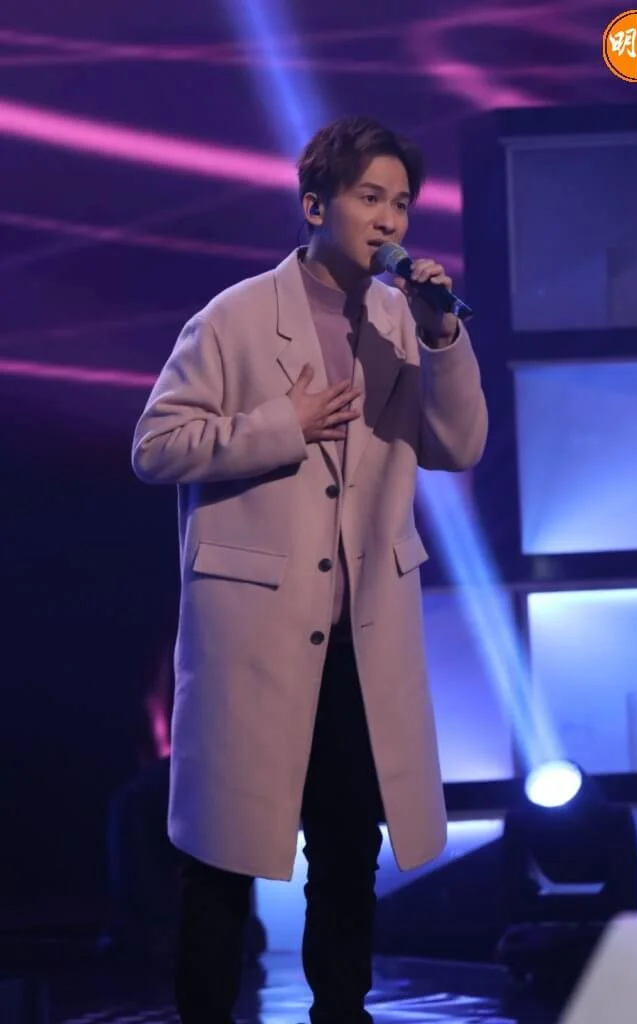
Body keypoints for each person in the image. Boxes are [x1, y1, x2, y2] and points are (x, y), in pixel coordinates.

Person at [131, 115, 488, 1024]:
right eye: (370, 197)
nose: (389, 219)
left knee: (347, 842)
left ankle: (343, 1012)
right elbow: (155, 447)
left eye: (400, 203)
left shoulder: (405, 321)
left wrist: (444, 339)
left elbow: (457, 445)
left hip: (361, 634)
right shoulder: (236, 316)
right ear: (316, 204)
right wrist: (277, 426)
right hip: (256, 628)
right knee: (221, 853)